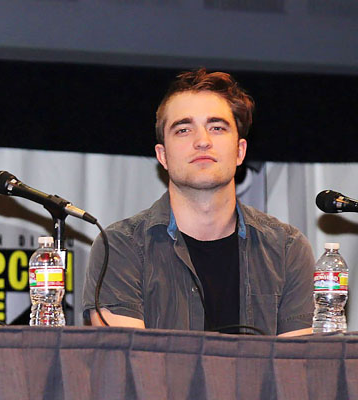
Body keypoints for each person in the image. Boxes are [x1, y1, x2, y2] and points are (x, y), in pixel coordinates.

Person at [82, 69, 314, 336]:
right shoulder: (120, 247)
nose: (202, 141)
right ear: (163, 155)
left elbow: (298, 370)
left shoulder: (287, 250)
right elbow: (130, 365)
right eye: (183, 129)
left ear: (240, 152)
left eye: (216, 128)